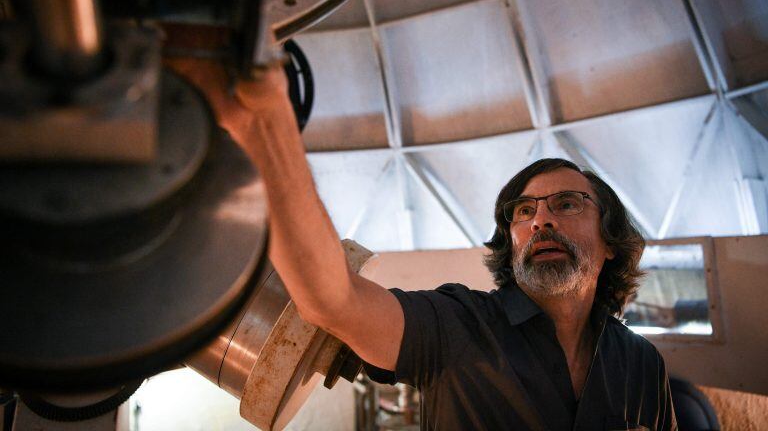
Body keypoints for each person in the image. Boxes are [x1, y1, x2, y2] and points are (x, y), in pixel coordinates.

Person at [165, 37, 677, 431]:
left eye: (566, 203)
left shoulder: (641, 365)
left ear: (611, 242)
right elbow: (332, 301)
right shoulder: (459, 325)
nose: (540, 220)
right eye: (523, 211)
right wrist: (263, 123)